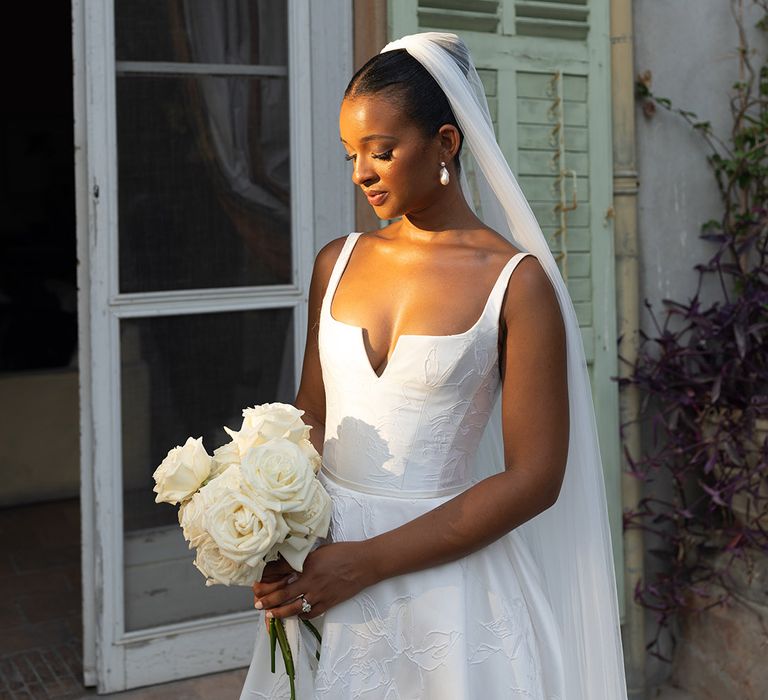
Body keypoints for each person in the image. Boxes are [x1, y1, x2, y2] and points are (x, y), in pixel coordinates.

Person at [240, 32, 628, 699]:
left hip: (446, 586)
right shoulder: (337, 263)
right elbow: (307, 416)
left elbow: (536, 478)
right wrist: (269, 531)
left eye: (381, 151)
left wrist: (366, 563)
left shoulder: (516, 283)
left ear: (445, 144)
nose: (361, 171)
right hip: (322, 569)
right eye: (350, 154)